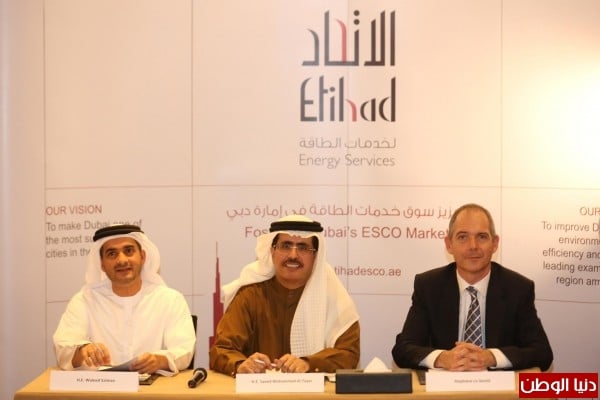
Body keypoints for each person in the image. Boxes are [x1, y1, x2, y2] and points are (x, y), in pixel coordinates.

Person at [392, 203, 553, 372]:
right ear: (449, 244)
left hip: (498, 387)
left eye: (482, 237)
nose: (473, 246)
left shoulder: (518, 288)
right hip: (444, 386)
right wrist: (442, 358)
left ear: (495, 243)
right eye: (463, 237)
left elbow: (542, 353)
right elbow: (403, 349)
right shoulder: (429, 286)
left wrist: (492, 357)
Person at [209, 215, 360, 376]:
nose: (293, 255)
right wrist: (240, 364)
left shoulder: (333, 297)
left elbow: (348, 354)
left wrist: (309, 363)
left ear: (315, 256)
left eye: (303, 248)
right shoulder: (250, 295)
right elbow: (221, 349)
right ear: (272, 251)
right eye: (285, 246)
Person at [53, 224, 196, 374]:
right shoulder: (84, 300)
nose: (121, 260)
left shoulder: (170, 300)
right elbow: (63, 348)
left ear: (143, 256)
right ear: (102, 264)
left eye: (128, 251)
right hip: (101, 387)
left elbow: (183, 349)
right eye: (112, 254)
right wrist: (82, 351)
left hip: (154, 387)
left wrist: (159, 360)